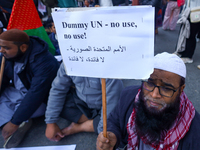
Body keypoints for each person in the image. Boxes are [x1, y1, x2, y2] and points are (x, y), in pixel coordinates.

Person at [96, 52, 200, 150]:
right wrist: (113, 135)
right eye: (150, 83)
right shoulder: (127, 97)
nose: (154, 94)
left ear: (181, 89)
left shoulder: (195, 130)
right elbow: (115, 121)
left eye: (166, 88)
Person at [0, 29, 59, 148]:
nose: (1, 51)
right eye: (0, 47)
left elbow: (36, 94)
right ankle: (21, 120)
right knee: (3, 97)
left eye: (5, 47)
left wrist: (14, 122)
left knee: (16, 107)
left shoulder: (44, 62)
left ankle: (18, 121)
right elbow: (4, 80)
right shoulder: (7, 56)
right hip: (18, 93)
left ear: (23, 47)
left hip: (41, 100)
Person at [45, 62, 124, 141]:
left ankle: (81, 127)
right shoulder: (69, 60)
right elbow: (58, 89)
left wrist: (102, 133)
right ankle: (94, 122)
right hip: (82, 102)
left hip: (105, 104)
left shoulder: (107, 67)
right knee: (57, 103)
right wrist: (50, 122)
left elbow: (112, 101)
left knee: (117, 117)